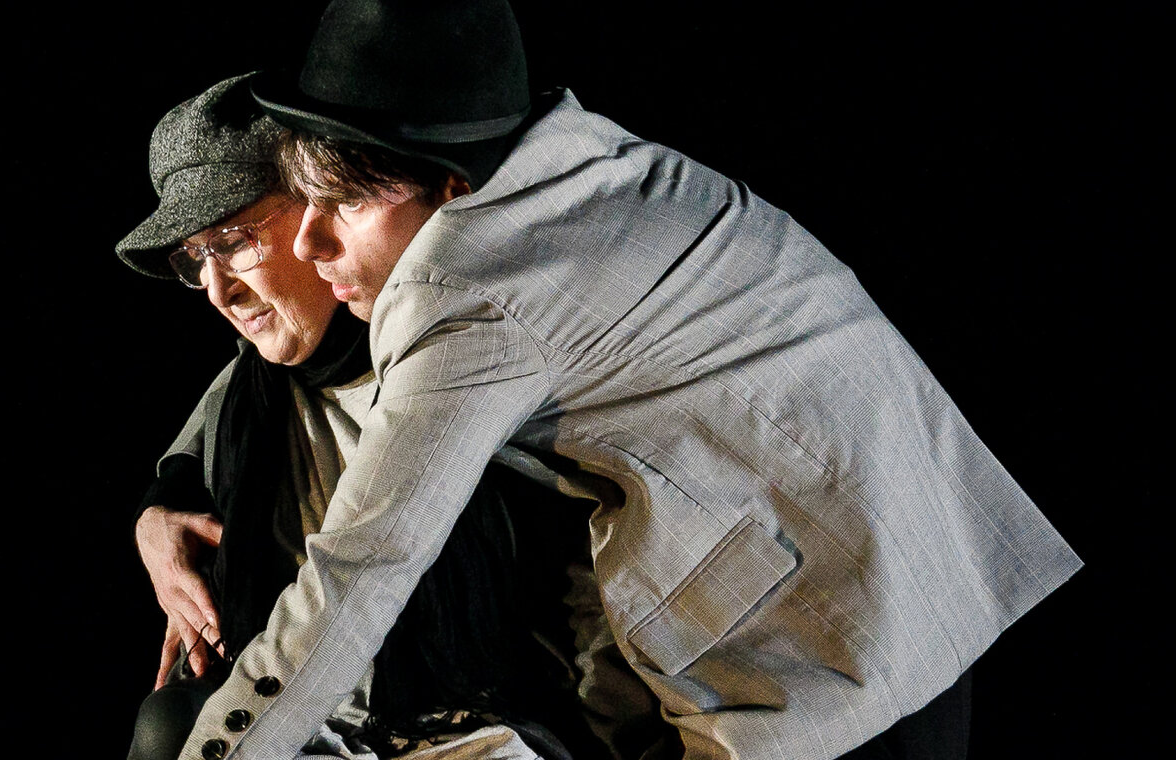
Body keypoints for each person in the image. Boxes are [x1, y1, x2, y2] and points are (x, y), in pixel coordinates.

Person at [169, 3, 1084, 760]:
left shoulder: (465, 285)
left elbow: (362, 569)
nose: (311, 242)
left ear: (450, 189)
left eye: (342, 204)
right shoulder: (576, 154)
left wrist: (218, 753)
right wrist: (165, 490)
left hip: (832, 629)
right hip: (928, 548)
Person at [115, 75, 603, 760]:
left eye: (234, 240)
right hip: (315, 727)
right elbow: (192, 446)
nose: (218, 290)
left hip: (480, 727)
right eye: (197, 257)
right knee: (167, 724)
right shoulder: (254, 393)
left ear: (322, 209)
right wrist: (157, 510)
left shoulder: (466, 362)